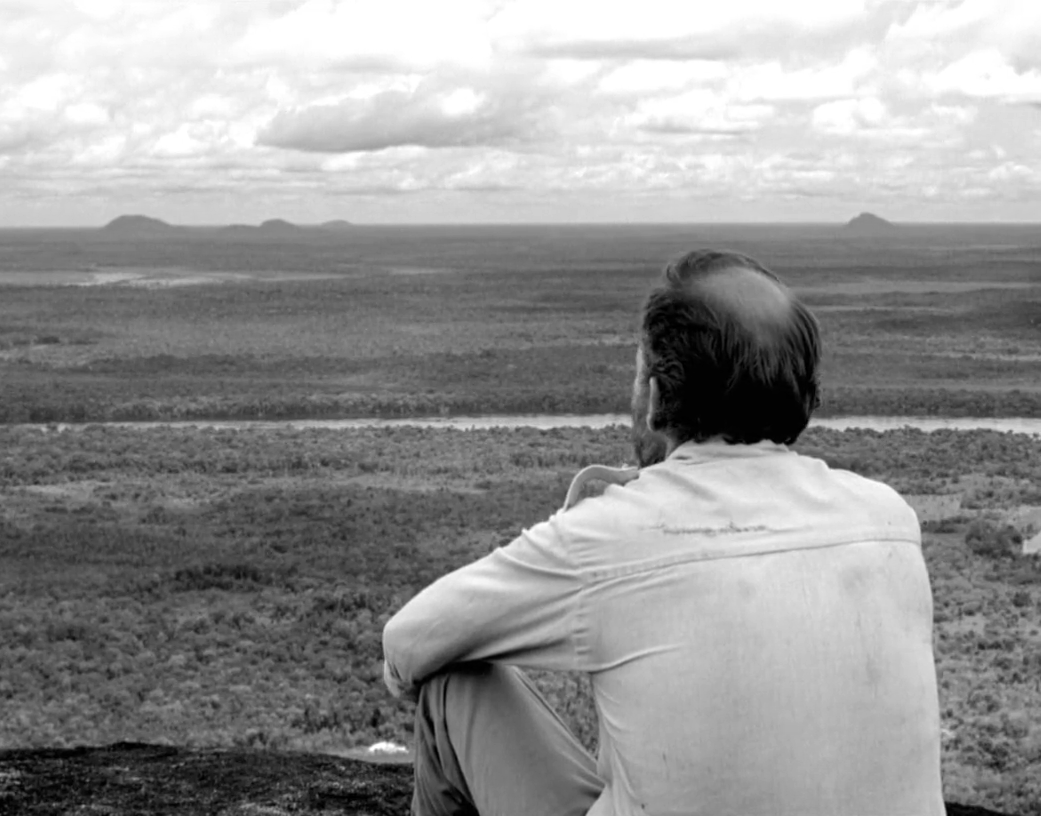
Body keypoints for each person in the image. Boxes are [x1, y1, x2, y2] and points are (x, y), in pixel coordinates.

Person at [381, 249, 943, 816]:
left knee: (452, 682)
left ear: (655, 397)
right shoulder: (890, 518)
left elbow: (409, 643)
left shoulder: (614, 532)